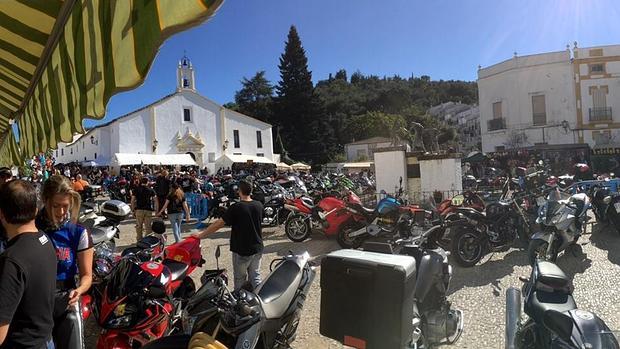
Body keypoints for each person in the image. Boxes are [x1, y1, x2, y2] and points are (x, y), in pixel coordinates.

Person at [36, 175, 93, 349]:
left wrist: (79, 290)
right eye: (55, 206)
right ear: (45, 200)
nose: (61, 212)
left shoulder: (78, 232)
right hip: (35, 302)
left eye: (65, 206)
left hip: (66, 299)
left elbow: (87, 275)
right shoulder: (32, 227)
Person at [0, 180, 57, 349]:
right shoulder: (44, 240)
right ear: (35, 209)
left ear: (2, 214)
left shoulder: (12, 259)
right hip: (45, 340)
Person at [193, 179, 264, 291]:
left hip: (242, 249)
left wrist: (201, 235)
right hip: (257, 247)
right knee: (255, 277)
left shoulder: (237, 207)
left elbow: (219, 224)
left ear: (239, 191)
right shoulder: (259, 205)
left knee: (240, 279)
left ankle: (240, 303)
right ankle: (260, 300)